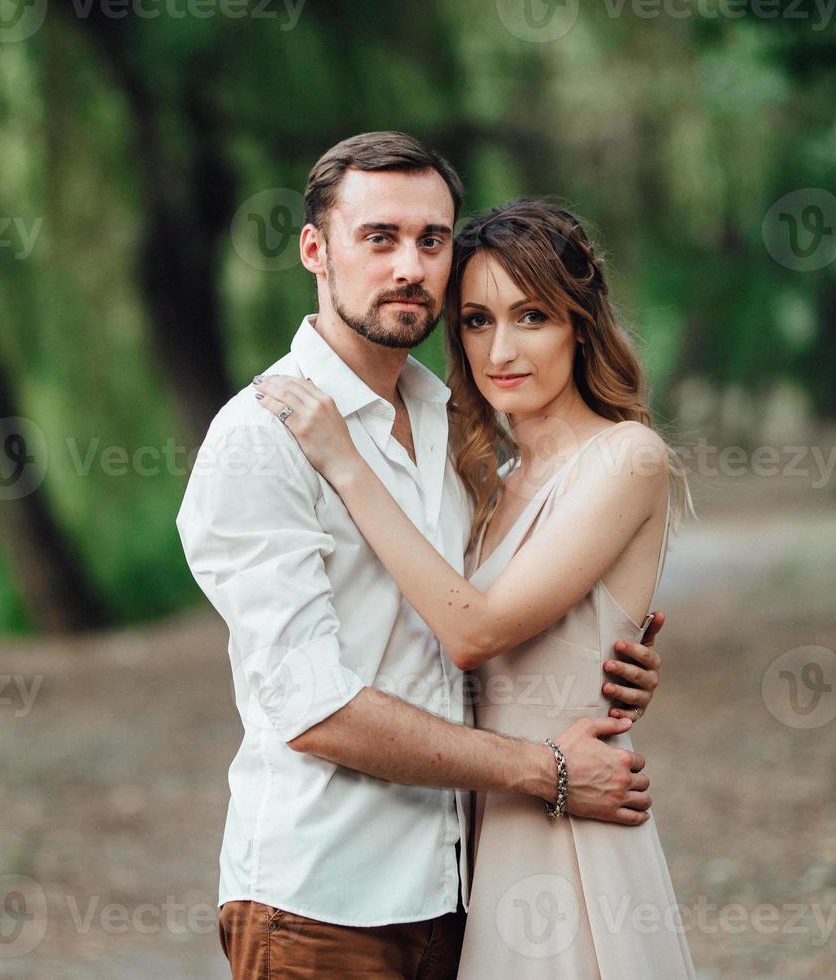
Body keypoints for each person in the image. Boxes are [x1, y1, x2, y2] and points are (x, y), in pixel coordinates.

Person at [176, 132, 665, 980]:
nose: (410, 265)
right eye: (380, 238)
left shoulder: (453, 434)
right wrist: (544, 769)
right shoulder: (260, 438)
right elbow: (313, 710)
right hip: (323, 903)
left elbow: (481, 626)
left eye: (431, 240)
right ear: (315, 251)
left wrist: (597, 654)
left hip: (459, 893)